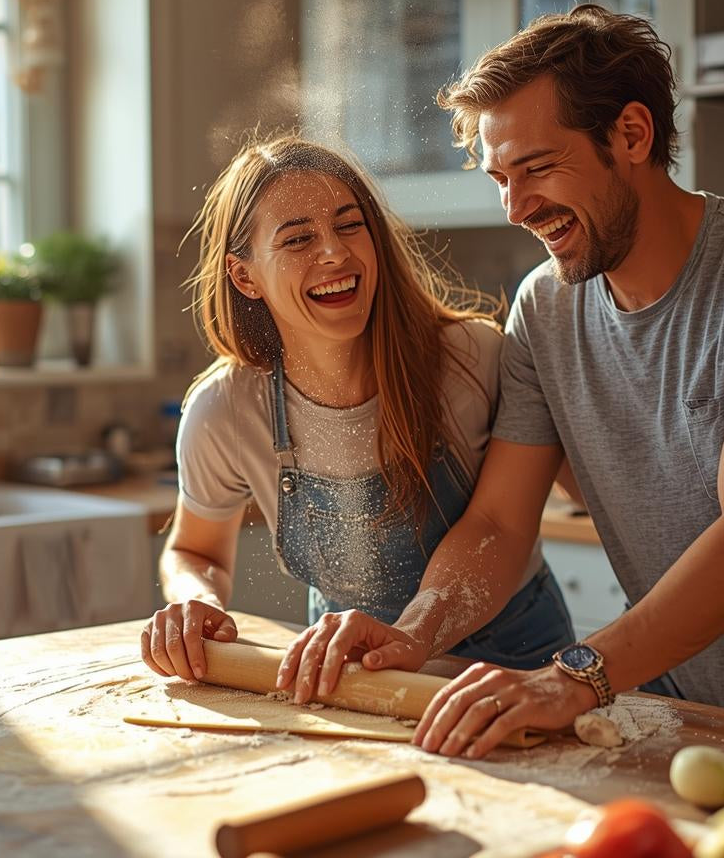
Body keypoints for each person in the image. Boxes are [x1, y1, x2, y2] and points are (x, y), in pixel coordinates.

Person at [277, 5, 724, 759]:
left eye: (537, 167)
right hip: (678, 718)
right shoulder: (545, 309)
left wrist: (576, 677)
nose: (515, 207)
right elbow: (499, 521)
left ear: (631, 135)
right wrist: (414, 630)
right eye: (500, 178)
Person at [138, 136, 576, 695]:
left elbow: (502, 525)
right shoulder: (226, 409)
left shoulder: (470, 360)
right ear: (244, 277)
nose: (334, 254)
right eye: (298, 238)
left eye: (349, 225)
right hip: (355, 680)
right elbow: (193, 550)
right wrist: (194, 602)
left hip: (519, 669)